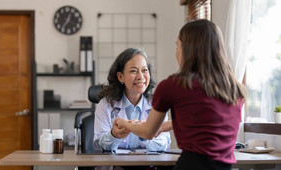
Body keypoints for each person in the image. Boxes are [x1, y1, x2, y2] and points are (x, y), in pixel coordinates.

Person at [116, 19, 247, 170]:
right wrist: (168, 125)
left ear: (188, 50)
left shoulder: (172, 86)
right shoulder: (236, 90)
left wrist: (125, 123)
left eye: (177, 46)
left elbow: (148, 132)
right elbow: (210, 119)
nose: (176, 52)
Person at [94, 48, 171, 152]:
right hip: (115, 166)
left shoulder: (156, 104)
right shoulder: (105, 105)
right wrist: (114, 135)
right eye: (134, 71)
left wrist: (145, 133)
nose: (141, 76)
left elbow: (165, 143)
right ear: (120, 77)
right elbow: (100, 144)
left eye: (144, 70)